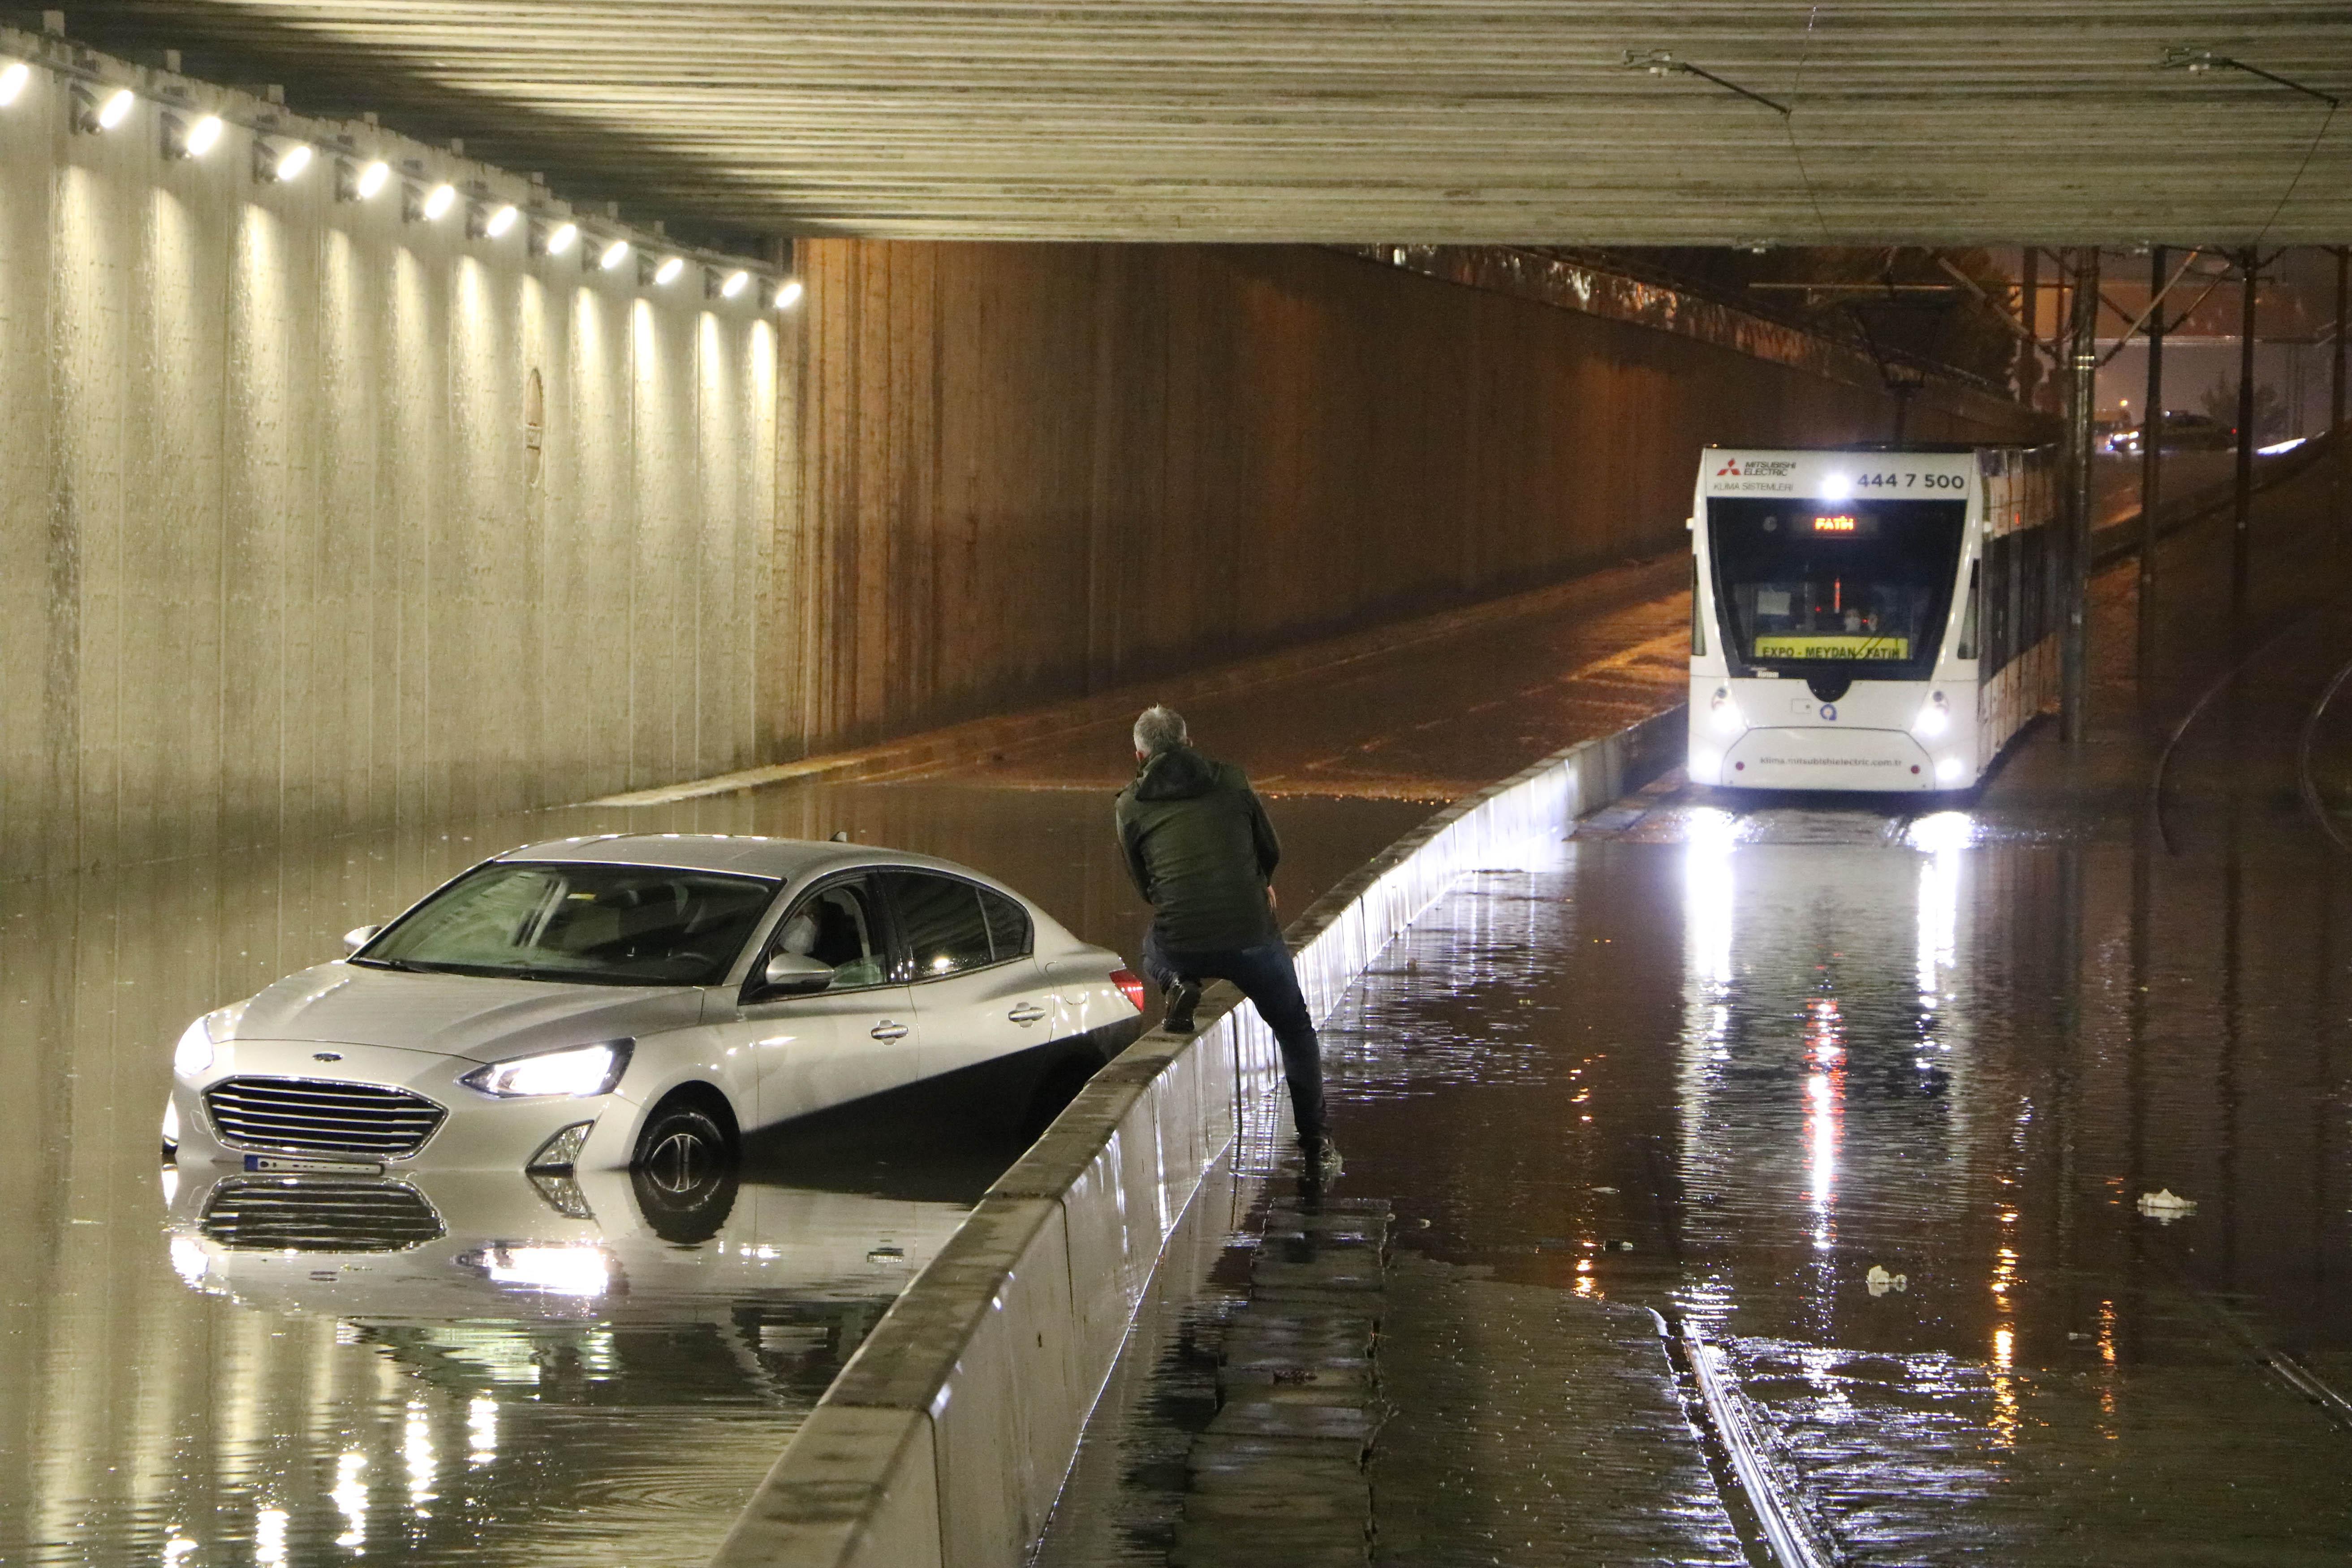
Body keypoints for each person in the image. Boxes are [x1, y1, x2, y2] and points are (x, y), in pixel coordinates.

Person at [1114, 705, 1336, 1173]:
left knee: (1152, 944)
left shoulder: (1130, 805)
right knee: (1294, 1029)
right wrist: (1259, 885)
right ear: (1189, 742)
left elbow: (1144, 884)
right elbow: (1270, 847)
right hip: (1252, 934)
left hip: (1184, 938)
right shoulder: (1232, 780)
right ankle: (1316, 1144)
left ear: (1139, 755)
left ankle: (1175, 982)